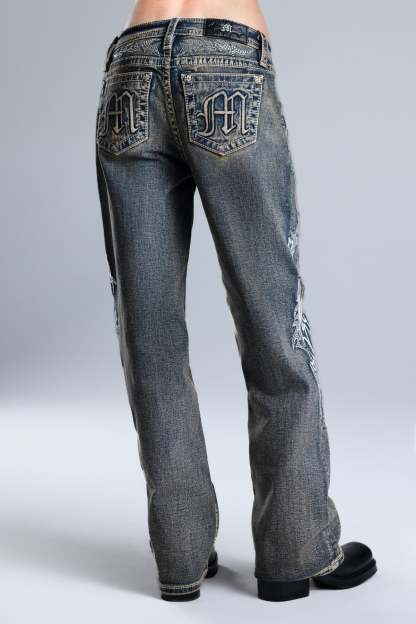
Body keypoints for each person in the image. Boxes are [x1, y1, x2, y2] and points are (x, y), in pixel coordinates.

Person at [95, 0, 377, 602]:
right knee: (272, 324)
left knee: (150, 339)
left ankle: (180, 556)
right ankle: (294, 552)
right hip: (226, 63)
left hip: (132, 65)